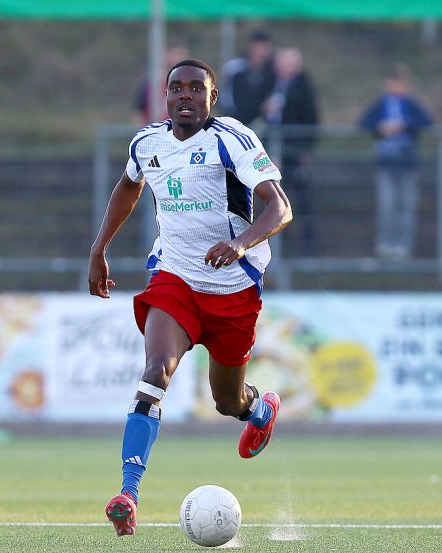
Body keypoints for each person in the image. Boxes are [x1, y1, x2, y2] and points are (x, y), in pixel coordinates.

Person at [89, 59, 292, 537]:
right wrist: (99, 249)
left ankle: (257, 410)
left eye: (195, 88)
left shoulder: (233, 139)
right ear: (165, 96)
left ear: (212, 97)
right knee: (155, 371)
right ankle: (128, 494)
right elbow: (129, 185)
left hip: (233, 288)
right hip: (175, 277)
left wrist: (240, 244)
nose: (185, 96)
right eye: (175, 88)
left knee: (226, 401)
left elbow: (279, 206)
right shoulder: (147, 143)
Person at [359, 63, 433, 259]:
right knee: (387, 205)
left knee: (406, 206)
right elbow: (363, 122)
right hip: (386, 163)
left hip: (407, 163)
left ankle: (403, 245)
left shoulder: (411, 104)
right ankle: (385, 244)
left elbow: (426, 122)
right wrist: (380, 128)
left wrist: (405, 127)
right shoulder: (381, 104)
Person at [261, 47, 318, 255]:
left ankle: (307, 244)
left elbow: (311, 119)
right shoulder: (268, 83)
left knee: (300, 197)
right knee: (272, 196)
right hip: (272, 150)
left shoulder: (303, 86)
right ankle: (277, 243)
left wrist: (305, 151)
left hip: (294, 150)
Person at [224, 29, 275, 127]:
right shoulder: (235, 69)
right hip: (237, 123)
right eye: (257, 48)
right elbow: (226, 99)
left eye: (264, 48)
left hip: (264, 126)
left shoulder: (273, 71)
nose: (260, 52)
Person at [132, 44, 190, 126]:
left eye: (178, 54)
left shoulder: (195, 84)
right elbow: (138, 112)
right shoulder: (150, 84)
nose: (175, 58)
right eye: (171, 53)